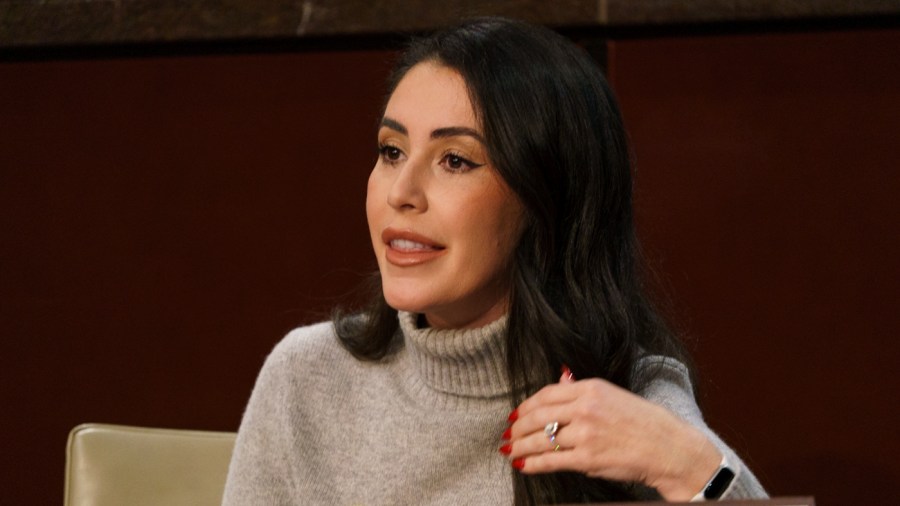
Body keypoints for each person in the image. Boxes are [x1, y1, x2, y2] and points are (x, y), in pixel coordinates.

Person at [222, 17, 768, 505]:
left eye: (455, 160)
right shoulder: (308, 376)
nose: (401, 193)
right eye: (391, 151)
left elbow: (701, 471)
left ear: (544, 200)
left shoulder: (625, 398)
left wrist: (688, 464)